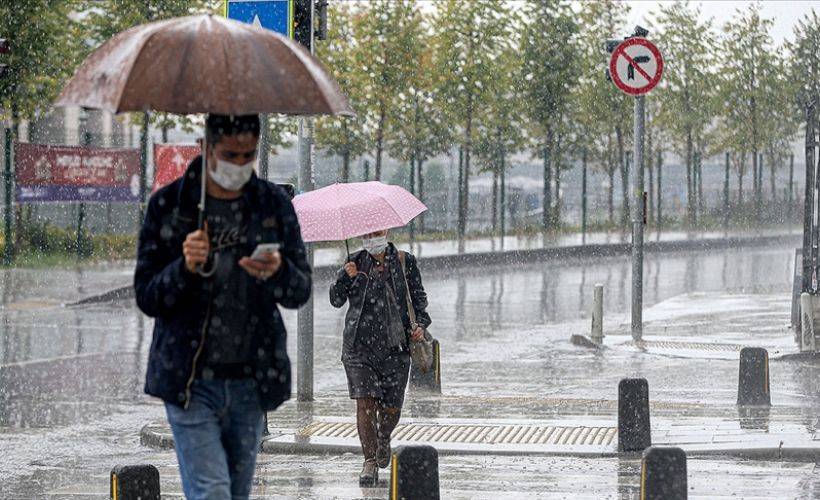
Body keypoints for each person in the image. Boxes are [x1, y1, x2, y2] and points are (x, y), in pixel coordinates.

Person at [134, 114, 311, 499]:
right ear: (206, 148)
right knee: (212, 492)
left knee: (234, 492)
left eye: (248, 155)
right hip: (189, 382)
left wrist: (278, 271)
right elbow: (147, 295)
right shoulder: (169, 206)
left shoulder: (273, 205)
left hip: (250, 379)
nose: (239, 165)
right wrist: (184, 267)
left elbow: (300, 291)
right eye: (230, 155)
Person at [329, 229, 431, 486]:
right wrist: (344, 277)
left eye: (378, 231)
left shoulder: (405, 261)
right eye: (368, 231)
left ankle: (383, 436)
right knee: (365, 403)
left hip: (395, 348)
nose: (373, 235)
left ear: (386, 231)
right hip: (358, 348)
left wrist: (419, 324)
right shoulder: (353, 261)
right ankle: (369, 461)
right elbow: (335, 299)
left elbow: (419, 300)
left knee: (392, 406)